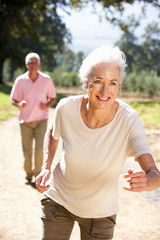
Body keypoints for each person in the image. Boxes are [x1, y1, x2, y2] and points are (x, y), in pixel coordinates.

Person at [35, 46, 160, 240]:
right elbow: (53, 131)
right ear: (86, 83)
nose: (105, 90)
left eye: (112, 83)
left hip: (100, 213)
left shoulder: (128, 120)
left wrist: (148, 181)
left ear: (119, 86)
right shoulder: (66, 108)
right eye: (98, 81)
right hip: (58, 199)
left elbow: (154, 173)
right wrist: (46, 167)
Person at [10, 52, 56, 185]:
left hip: (41, 120)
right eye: (30, 62)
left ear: (39, 64)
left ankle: (37, 174)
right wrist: (19, 104)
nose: (33, 65)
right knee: (27, 149)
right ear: (26, 64)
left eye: (35, 62)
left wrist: (46, 105)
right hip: (25, 121)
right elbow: (13, 99)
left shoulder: (46, 80)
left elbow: (53, 97)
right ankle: (28, 174)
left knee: (40, 149)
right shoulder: (20, 80)